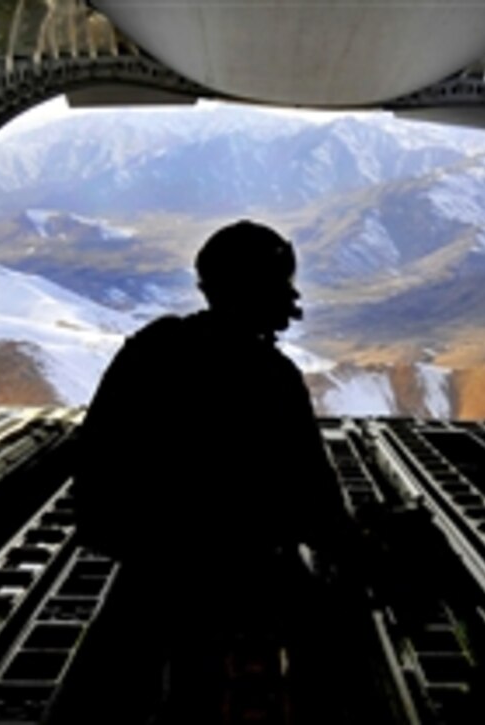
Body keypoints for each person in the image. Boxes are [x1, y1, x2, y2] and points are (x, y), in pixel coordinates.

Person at [66, 219, 352, 723]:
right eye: (282, 284)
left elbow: (94, 469)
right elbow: (317, 505)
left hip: (147, 569)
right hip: (242, 574)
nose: (292, 297)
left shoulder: (151, 349)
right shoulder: (272, 377)